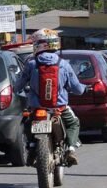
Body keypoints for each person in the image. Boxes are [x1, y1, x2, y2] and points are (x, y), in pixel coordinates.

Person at [24, 31, 86, 165]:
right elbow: (78, 89)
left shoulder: (31, 64)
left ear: (38, 45)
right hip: (59, 108)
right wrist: (83, 88)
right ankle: (70, 149)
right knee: (73, 123)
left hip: (37, 108)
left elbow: (18, 86)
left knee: (27, 121)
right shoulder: (64, 64)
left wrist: (23, 93)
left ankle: (32, 147)